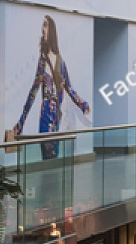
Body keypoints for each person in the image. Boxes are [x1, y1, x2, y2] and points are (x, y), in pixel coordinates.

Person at [8, 15, 90, 159]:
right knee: (47, 153)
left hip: (56, 115)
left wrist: (82, 104)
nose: (43, 30)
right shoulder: (43, 61)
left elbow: (69, 88)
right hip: (45, 113)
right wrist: (22, 120)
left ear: (52, 31)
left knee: (55, 153)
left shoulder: (60, 62)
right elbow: (33, 91)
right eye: (43, 26)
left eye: (46, 26)